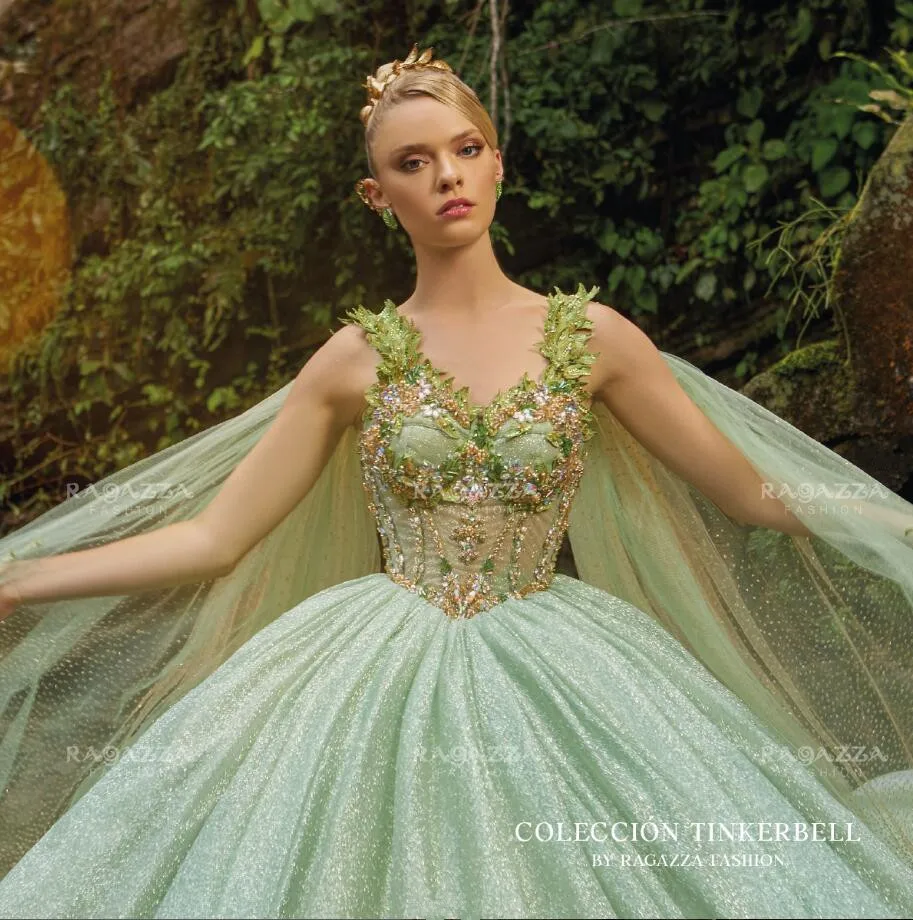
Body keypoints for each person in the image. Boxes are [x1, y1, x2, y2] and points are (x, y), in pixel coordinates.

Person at [1, 43, 913, 919]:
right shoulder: (352, 361)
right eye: (413, 161)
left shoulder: (592, 337)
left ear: (497, 165)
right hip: (374, 666)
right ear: (376, 193)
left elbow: (750, 495)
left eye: (465, 150)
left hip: (564, 665)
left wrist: (897, 522)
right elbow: (215, 539)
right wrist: (22, 580)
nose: (446, 176)